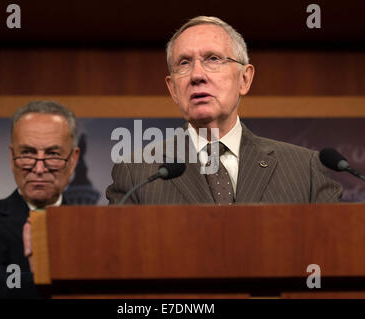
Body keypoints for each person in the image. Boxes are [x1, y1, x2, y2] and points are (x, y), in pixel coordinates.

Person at [106, 16, 342, 204]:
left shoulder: (305, 171)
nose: (197, 75)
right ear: (173, 89)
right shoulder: (136, 174)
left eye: (213, 59)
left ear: (244, 79)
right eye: (184, 63)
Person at [0, 101, 80, 298]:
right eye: (27, 153)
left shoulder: (93, 229)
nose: (39, 169)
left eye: (53, 154)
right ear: (12, 157)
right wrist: (55, 282)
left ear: (73, 160)